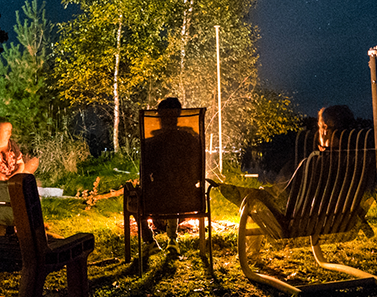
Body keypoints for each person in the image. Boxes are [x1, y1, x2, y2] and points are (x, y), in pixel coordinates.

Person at [213, 105, 356, 211]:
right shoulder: (355, 161)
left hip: (298, 215)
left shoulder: (315, 164)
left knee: (256, 207)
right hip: (337, 215)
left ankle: (251, 195)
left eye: (321, 126)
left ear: (328, 131)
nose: (319, 132)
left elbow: (288, 198)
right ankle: (257, 194)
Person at [138, 97, 203, 246]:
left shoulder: (151, 143)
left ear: (159, 116)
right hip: (189, 198)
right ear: (179, 116)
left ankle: (149, 240)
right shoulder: (192, 140)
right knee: (175, 188)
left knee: (133, 198)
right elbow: (197, 174)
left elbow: (145, 176)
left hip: (157, 199)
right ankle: (172, 238)